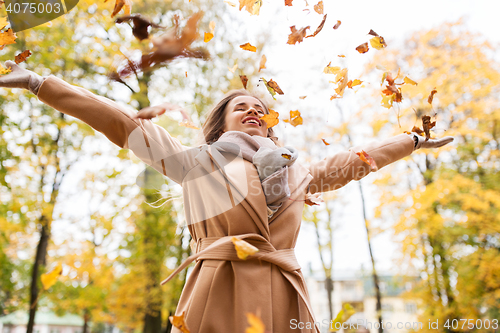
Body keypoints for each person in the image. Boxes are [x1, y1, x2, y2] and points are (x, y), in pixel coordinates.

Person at [0, 61, 453, 332]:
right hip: (217, 288)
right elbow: (120, 121)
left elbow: (358, 159)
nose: (254, 111)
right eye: (242, 107)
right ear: (221, 124)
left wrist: (411, 141)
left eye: (261, 109)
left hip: (283, 295)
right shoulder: (193, 163)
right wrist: (40, 83)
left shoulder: (298, 171)